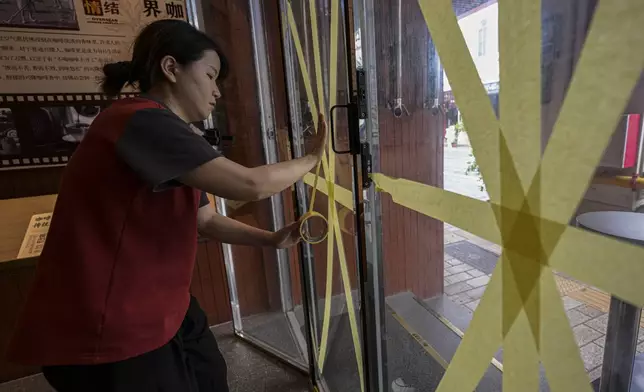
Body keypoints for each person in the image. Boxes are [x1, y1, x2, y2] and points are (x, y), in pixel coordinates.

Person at [6, 19, 327, 392]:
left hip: (163, 303)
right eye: (210, 75)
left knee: (210, 375)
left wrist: (271, 239)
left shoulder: (173, 134)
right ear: (171, 68)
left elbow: (204, 221)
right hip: (112, 323)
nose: (217, 92)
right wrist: (311, 159)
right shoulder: (139, 120)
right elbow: (250, 184)